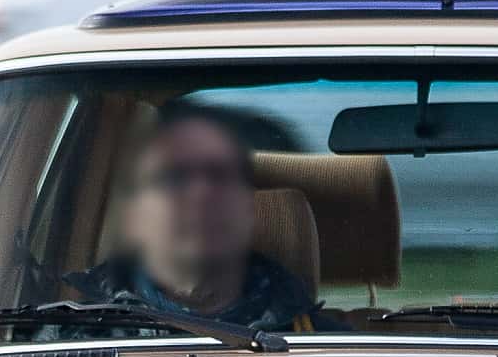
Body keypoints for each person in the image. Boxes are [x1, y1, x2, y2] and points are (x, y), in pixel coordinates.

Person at [66, 106, 322, 330]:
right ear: (135, 216)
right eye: (174, 178)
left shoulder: (324, 350)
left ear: (248, 210)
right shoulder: (65, 338)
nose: (201, 195)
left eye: (220, 176)